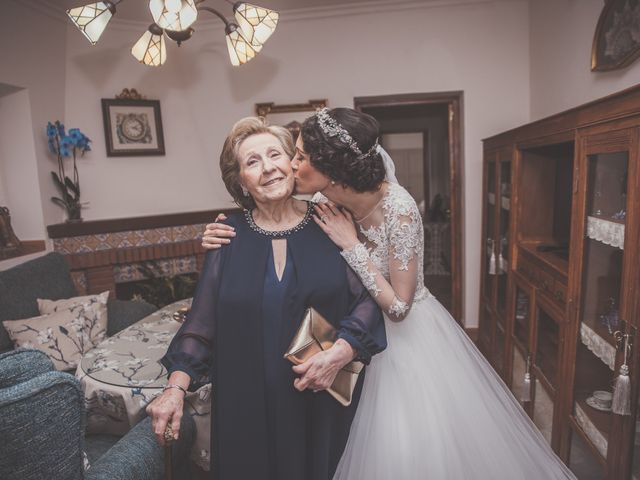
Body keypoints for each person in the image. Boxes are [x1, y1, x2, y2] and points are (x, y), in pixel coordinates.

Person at [202, 108, 577, 479]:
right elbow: (276, 215)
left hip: (403, 337)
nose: (290, 165)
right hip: (350, 332)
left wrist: (353, 246)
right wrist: (225, 226)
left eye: (299, 157)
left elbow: (399, 306)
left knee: (404, 446)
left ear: (330, 171)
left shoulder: (399, 208)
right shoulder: (321, 201)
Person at [146, 117, 386, 480]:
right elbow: (201, 326)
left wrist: (342, 352)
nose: (268, 167)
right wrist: (174, 390)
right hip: (245, 402)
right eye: (252, 162)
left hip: (319, 395)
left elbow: (368, 302)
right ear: (240, 180)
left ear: (293, 162)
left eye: (275, 154)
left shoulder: (331, 220)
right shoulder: (227, 236)